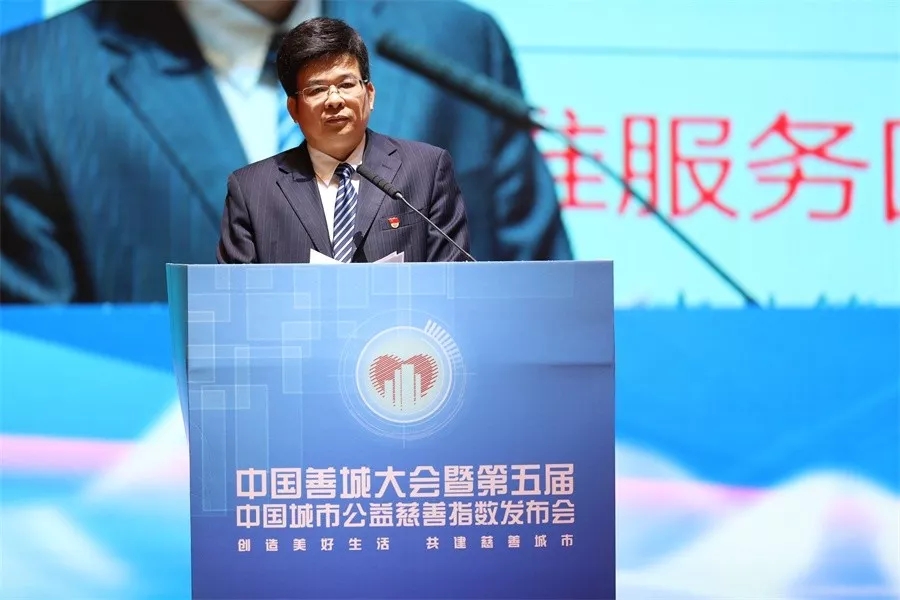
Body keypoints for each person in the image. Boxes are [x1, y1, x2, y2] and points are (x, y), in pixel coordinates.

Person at [0, 0, 572, 303]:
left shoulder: (456, 41)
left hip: (430, 460)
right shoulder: (32, 78)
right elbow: (43, 366)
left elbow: (545, 304)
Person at [217, 16, 469, 264]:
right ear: (293, 109)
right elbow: (237, 288)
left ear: (369, 94)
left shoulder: (426, 169)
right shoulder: (252, 190)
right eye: (317, 90)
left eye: (346, 84)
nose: (335, 100)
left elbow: (451, 277)